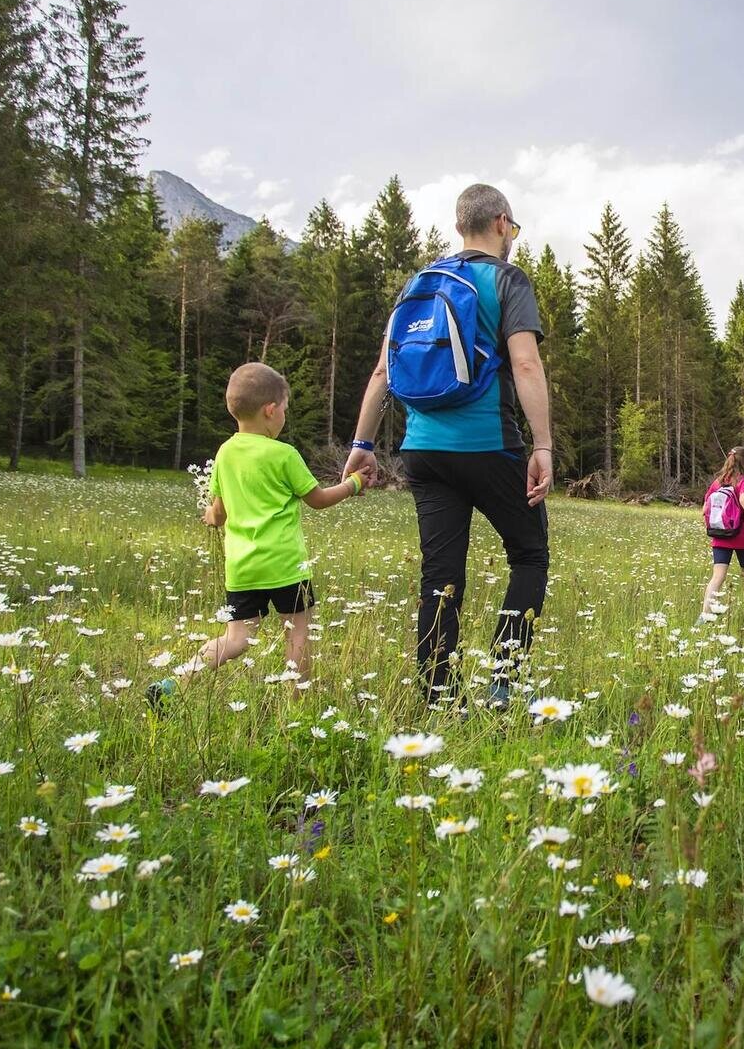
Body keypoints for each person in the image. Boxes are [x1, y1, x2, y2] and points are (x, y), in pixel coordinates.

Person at [343, 184, 552, 711]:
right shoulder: (506, 280)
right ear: (502, 223)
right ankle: (503, 681)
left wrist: (363, 443)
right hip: (489, 445)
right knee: (528, 555)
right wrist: (543, 446)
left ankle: (438, 691)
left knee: (440, 573)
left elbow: (382, 370)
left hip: (423, 450)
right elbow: (525, 364)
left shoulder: (420, 283)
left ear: (461, 225)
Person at [148, 362, 364, 707]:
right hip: (286, 565)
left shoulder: (225, 453)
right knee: (297, 634)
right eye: (285, 410)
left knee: (236, 640)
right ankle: (296, 707)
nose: (284, 417)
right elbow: (318, 500)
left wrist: (208, 515)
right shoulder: (284, 455)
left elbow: (218, 516)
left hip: (243, 568)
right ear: (271, 410)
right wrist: (353, 484)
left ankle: (174, 683)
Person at [698, 446, 744, 621]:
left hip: (720, 536)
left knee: (718, 576)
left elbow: (705, 508)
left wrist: (715, 527)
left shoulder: (718, 482)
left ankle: (705, 615)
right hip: (742, 537)